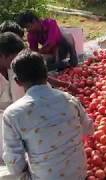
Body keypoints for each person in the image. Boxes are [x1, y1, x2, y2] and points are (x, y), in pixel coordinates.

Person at [2, 49, 94, 180]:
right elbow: (89, 129)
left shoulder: (12, 115)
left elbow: (13, 162)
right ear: (47, 74)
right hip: (79, 174)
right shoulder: (69, 99)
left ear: (17, 81)